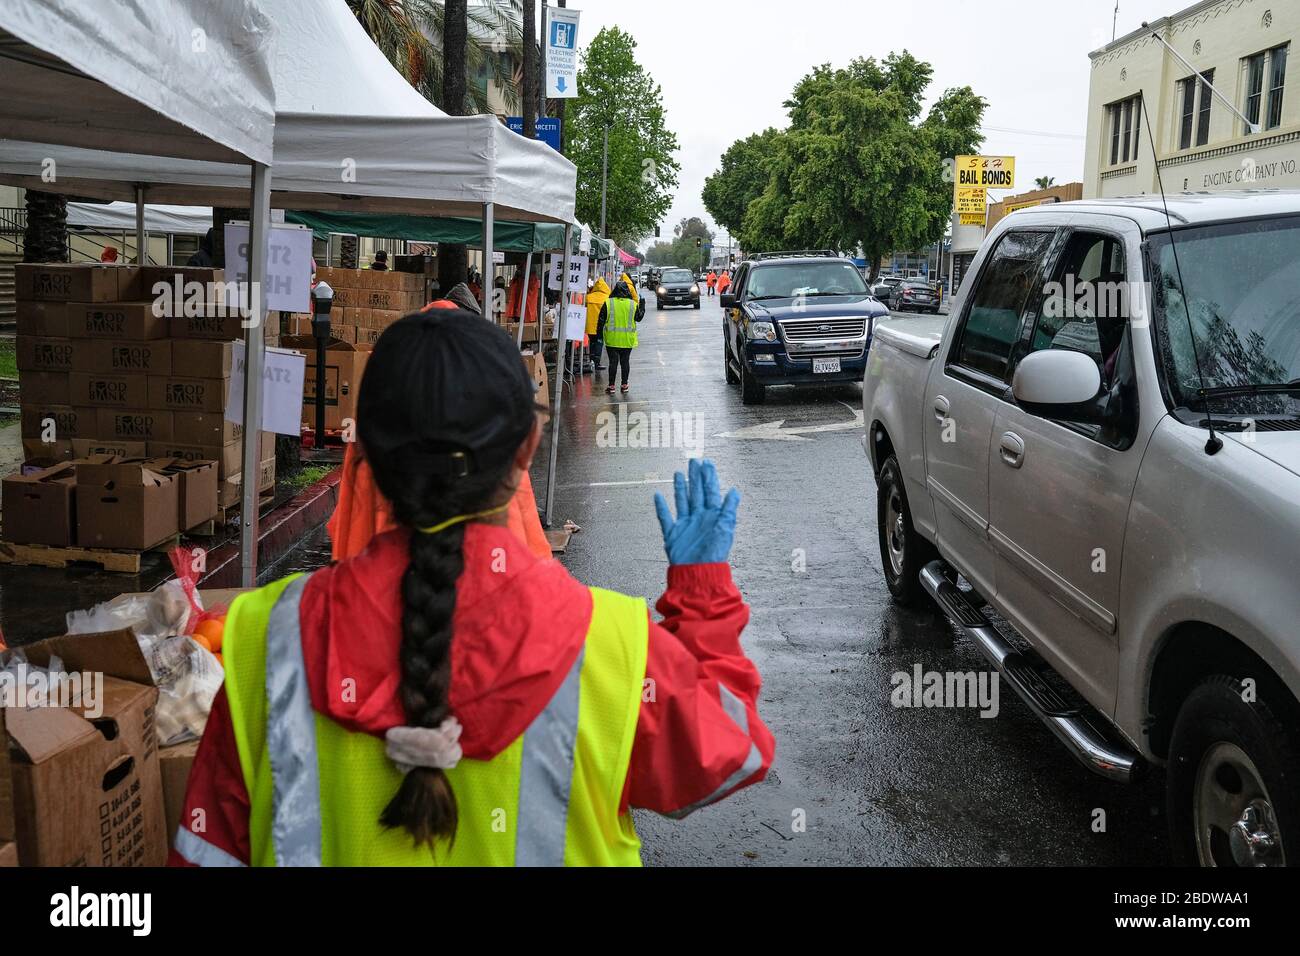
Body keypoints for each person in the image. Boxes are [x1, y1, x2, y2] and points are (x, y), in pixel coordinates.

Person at [170, 310, 772, 867]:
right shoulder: (615, 646)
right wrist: (702, 596)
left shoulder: (263, 640)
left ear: (363, 458)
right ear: (527, 449)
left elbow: (207, 852)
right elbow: (730, 752)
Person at [597, 277, 644, 396]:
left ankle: (611, 386)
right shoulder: (633, 304)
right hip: (627, 339)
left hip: (612, 339)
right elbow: (639, 318)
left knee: (613, 363)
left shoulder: (608, 303)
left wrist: (599, 336)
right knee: (625, 362)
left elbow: (600, 321)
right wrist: (642, 305)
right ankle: (624, 385)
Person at [585, 274, 611, 372]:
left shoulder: (588, 297)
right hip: (601, 326)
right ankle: (597, 362)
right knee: (599, 343)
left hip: (590, 325)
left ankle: (591, 360)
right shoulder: (607, 298)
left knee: (592, 342)